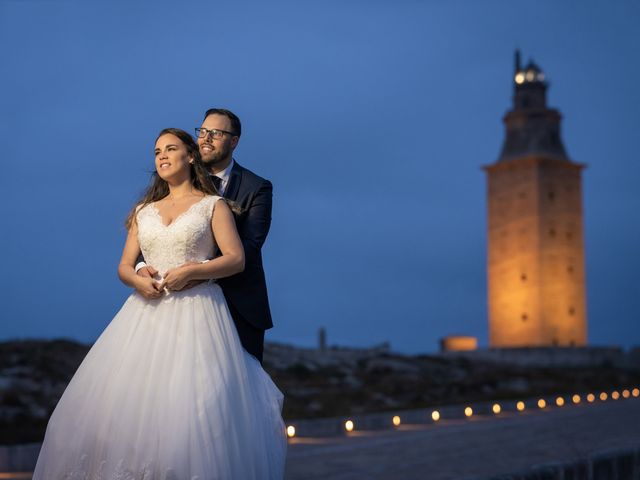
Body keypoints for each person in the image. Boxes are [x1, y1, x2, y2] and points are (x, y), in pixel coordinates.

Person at [32, 128, 287, 479]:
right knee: (125, 409)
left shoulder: (213, 206)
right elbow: (124, 265)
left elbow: (236, 259)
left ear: (191, 156)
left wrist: (193, 271)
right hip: (145, 314)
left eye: (171, 149)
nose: (163, 156)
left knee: (193, 412)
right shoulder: (143, 211)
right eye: (156, 152)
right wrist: (138, 279)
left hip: (199, 311)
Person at [137, 109, 273, 364]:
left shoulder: (256, 188)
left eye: (217, 133)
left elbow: (250, 246)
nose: (206, 138)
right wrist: (142, 266)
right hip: (173, 303)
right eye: (202, 131)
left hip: (237, 305)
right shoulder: (175, 177)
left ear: (234, 141)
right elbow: (154, 228)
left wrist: (196, 271)